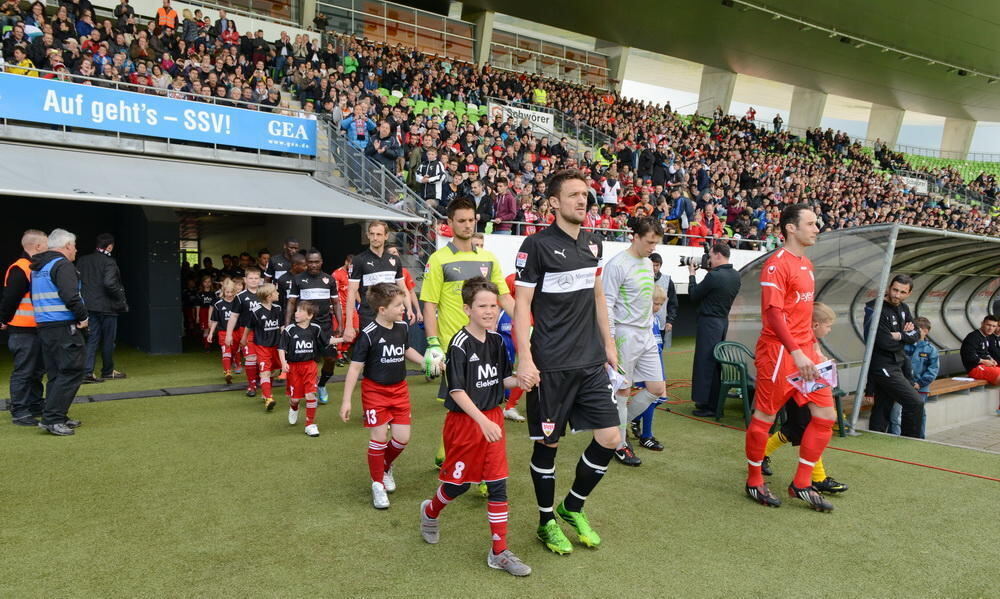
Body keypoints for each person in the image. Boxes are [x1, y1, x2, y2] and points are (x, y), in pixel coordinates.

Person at [514, 169, 621, 554]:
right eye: (574, 194)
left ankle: (572, 506)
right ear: (554, 203)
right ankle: (545, 522)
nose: (582, 201)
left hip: (590, 361)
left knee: (611, 437)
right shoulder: (536, 246)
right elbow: (522, 305)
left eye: (586, 195)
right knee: (549, 446)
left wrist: (608, 345)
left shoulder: (593, 244)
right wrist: (524, 358)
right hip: (551, 366)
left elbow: (596, 297)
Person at [419, 277, 530, 577]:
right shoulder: (458, 344)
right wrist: (481, 421)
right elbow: (456, 390)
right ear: (467, 308)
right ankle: (430, 512)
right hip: (466, 423)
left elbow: (500, 380)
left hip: (491, 419)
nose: (490, 311)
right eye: (482, 305)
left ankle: (499, 552)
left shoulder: (496, 341)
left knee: (498, 484)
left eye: (494, 305)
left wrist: (521, 378)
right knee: (458, 485)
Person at [743, 204, 836, 512]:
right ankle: (754, 481)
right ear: (791, 228)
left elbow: (803, 314)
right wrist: (796, 350)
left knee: (825, 416)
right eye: (810, 223)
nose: (817, 228)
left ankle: (802, 483)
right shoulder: (776, 264)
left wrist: (813, 347)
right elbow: (774, 314)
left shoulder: (807, 265)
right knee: (765, 417)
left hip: (805, 352)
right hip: (779, 353)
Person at [420, 197, 514, 466]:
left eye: (471, 220)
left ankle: (450, 455)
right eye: (461, 220)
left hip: (486, 346)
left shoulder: (488, 258)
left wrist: (525, 323)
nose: (467, 225)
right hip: (454, 347)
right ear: (449, 223)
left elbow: (504, 298)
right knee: (469, 404)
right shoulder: (438, 260)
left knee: (482, 403)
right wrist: (432, 343)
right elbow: (430, 305)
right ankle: (482, 470)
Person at [339, 283, 425, 509]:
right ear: (382, 310)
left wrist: (426, 361)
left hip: (400, 390)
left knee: (402, 438)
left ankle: (384, 466)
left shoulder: (403, 327)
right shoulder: (368, 334)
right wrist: (347, 401)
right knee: (378, 438)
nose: (403, 309)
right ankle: (377, 484)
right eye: (399, 305)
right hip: (375, 392)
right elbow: (355, 369)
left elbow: (406, 350)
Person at [760, 302, 848, 494]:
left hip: (805, 390)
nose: (830, 329)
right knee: (806, 429)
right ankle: (818, 478)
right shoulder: (796, 338)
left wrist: (820, 358)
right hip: (794, 388)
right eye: (828, 326)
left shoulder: (810, 339)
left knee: (795, 429)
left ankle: (761, 455)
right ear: (815, 325)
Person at [602, 217, 666, 467]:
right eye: (649, 242)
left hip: (646, 332)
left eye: (656, 242)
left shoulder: (648, 263)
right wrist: (610, 339)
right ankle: (619, 444)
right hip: (624, 334)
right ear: (635, 237)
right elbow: (606, 303)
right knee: (623, 390)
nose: (653, 247)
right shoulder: (617, 264)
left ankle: (622, 421)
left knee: (657, 388)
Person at [30, 228, 89, 436]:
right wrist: (83, 317)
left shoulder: (39, 267)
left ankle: (55, 415)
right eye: (74, 246)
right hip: (64, 326)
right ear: (67, 246)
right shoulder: (63, 265)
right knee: (73, 370)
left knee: (56, 373)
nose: (76, 250)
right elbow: (70, 296)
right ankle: (53, 418)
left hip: (45, 327)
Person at [864, 274, 924, 438]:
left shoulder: (903, 308)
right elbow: (883, 342)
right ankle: (911, 440)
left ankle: (875, 439)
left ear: (909, 293)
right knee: (915, 402)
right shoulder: (876, 309)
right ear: (889, 288)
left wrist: (899, 336)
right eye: (895, 290)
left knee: (883, 406)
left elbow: (917, 334)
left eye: (902, 292)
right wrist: (905, 336)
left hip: (897, 363)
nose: (897, 295)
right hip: (883, 365)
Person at [687, 242, 742, 417]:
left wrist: (692, 275)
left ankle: (706, 405)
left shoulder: (714, 277)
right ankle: (714, 403)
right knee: (716, 364)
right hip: (722, 322)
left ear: (718, 255)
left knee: (704, 363)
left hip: (708, 323)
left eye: (710, 256)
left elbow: (694, 295)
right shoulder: (735, 275)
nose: (708, 259)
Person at [1, 229, 48, 426]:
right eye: (46, 244)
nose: (48, 247)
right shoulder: (21, 268)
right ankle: (20, 411)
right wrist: (3, 319)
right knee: (24, 371)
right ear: (37, 246)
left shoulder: (33, 267)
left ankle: (35, 405)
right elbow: (9, 299)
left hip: (36, 329)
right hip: (23, 330)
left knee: (36, 371)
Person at [285, 249, 344, 403]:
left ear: (321, 262)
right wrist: (286, 324)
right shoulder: (298, 279)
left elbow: (336, 303)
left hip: (325, 327)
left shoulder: (329, 280)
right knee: (308, 361)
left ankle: (321, 385)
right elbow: (291, 303)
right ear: (306, 263)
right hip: (305, 327)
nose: (313, 265)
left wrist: (340, 324)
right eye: (310, 262)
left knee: (330, 359)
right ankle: (309, 391)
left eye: (316, 261)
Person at [343, 221, 413, 343]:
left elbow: (403, 288)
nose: (375, 238)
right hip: (369, 316)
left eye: (379, 234)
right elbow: (351, 292)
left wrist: (409, 309)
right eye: (372, 234)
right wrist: (349, 325)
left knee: (392, 353)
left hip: (391, 315)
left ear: (386, 236)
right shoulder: (359, 260)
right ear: (368, 235)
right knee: (371, 356)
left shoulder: (395, 260)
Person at [77, 233, 128, 383]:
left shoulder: (83, 260)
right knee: (108, 341)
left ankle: (87, 372)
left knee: (92, 339)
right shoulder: (109, 262)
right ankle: (107, 371)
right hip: (108, 307)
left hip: (88, 306)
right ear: (110, 246)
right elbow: (110, 284)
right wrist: (121, 299)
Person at [280, 301, 333, 437]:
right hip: (294, 367)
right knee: (295, 399)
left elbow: (326, 342)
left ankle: (310, 424)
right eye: (296, 310)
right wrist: (283, 362)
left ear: (309, 315)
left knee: (310, 395)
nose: (296, 313)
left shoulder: (316, 328)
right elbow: (281, 348)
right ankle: (293, 407)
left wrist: (343, 339)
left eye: (300, 311)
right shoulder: (289, 329)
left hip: (310, 366)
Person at [630, 284, 668, 450]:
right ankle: (646, 436)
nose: (658, 307)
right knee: (652, 399)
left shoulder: (656, 319)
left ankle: (634, 418)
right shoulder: (641, 320)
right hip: (644, 367)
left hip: (657, 363)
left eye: (660, 304)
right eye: (655, 303)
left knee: (660, 398)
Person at [242, 283, 283, 412]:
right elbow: (249, 326)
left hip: (276, 346)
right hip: (262, 346)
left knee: (274, 371)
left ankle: (265, 393)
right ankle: (268, 398)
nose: (278, 293)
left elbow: (281, 326)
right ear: (269, 296)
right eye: (276, 292)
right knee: (264, 371)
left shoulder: (278, 309)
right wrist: (244, 338)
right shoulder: (256, 311)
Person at [225, 267, 263, 397]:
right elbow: (234, 316)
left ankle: (259, 379)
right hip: (247, 332)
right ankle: (251, 385)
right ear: (245, 280)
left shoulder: (264, 294)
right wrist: (229, 334)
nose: (253, 280)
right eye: (250, 278)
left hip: (264, 331)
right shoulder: (240, 297)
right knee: (251, 357)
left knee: (261, 359)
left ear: (260, 280)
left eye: (256, 278)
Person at [901, 317, 939, 438]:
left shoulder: (930, 349)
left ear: (926, 331)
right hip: (903, 385)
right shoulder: (904, 346)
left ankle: (920, 436)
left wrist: (920, 383)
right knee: (899, 412)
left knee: (920, 413)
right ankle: (897, 435)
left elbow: (933, 370)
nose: (915, 333)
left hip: (921, 388)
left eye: (919, 330)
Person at [206, 278, 240, 384]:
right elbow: (215, 321)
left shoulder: (238, 302)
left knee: (234, 351)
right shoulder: (218, 304)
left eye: (231, 292)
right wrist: (211, 333)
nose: (229, 294)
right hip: (223, 332)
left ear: (234, 292)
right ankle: (227, 372)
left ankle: (234, 362)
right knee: (226, 351)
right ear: (223, 291)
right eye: (227, 292)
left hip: (236, 332)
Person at [960, 315, 1000, 386]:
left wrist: (991, 359)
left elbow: (985, 352)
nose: (991, 328)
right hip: (974, 368)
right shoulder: (973, 336)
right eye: (988, 325)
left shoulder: (986, 336)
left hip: (985, 366)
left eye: (994, 326)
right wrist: (984, 361)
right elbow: (968, 355)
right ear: (982, 323)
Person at [649, 253, 678, 349]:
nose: (654, 268)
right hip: (643, 323)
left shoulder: (667, 280)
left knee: (658, 351)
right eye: (652, 265)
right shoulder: (640, 279)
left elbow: (673, 303)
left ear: (660, 265)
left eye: (657, 265)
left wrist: (670, 321)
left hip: (660, 325)